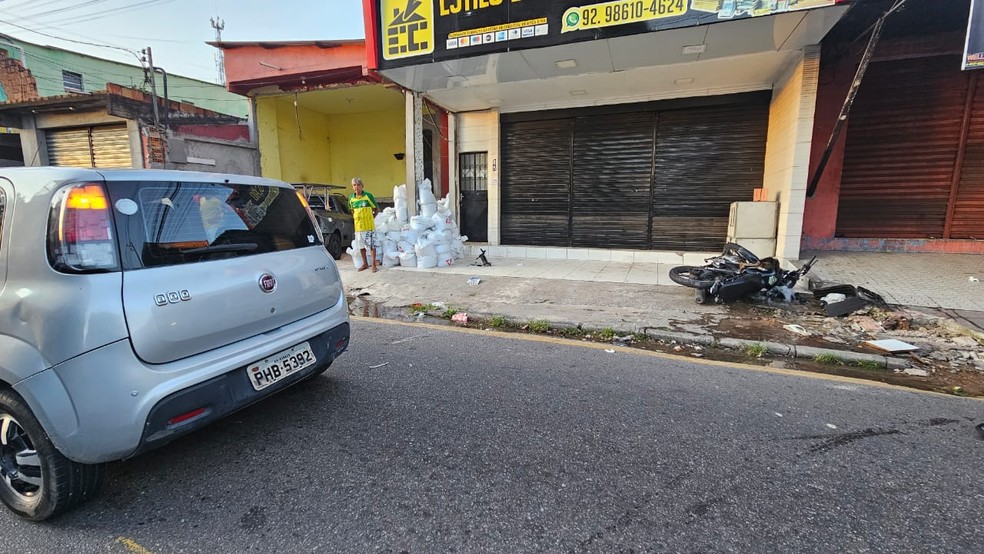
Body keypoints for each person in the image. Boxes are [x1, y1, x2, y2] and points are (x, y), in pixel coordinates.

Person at [348, 177, 380, 272]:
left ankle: (374, 265)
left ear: (362, 186)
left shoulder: (368, 196)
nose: (356, 187)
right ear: (352, 187)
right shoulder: (351, 198)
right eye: (354, 185)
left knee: (371, 246)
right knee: (361, 247)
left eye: (358, 185)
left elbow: (377, 209)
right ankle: (365, 264)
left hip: (368, 227)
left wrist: (371, 218)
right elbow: (352, 210)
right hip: (358, 228)